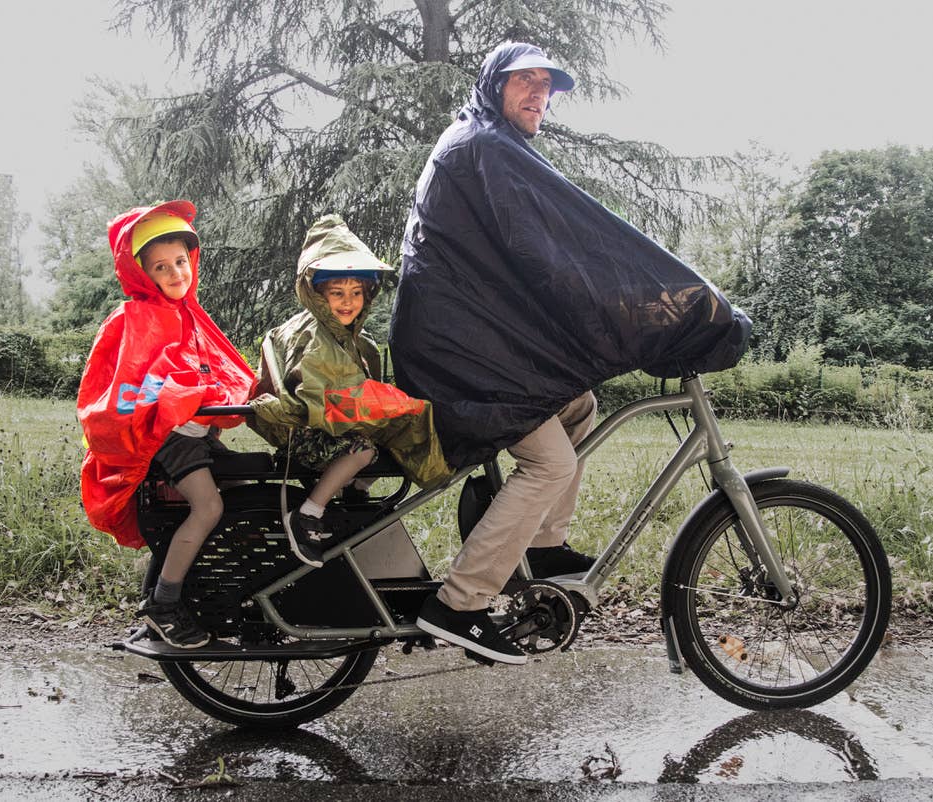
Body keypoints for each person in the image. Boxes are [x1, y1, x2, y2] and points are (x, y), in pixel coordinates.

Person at [390, 43, 752, 664]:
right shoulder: (485, 149)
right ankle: (459, 602)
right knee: (550, 465)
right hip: (458, 350)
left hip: (468, 338)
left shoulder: (490, 143)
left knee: (578, 405)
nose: (537, 94)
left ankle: (542, 547)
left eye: (546, 86)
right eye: (523, 81)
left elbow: (555, 249)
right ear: (493, 85)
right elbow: (565, 255)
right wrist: (664, 299)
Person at [77, 200, 256, 648]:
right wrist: (188, 393)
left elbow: (217, 370)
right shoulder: (135, 319)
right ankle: (165, 604)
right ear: (142, 274)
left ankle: (191, 591)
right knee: (209, 508)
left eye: (181, 262)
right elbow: (131, 390)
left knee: (244, 493)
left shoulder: (188, 313)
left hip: (194, 433)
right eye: (162, 267)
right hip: (168, 441)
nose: (176, 273)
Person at [249, 214, 451, 567]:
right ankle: (309, 514)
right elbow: (320, 399)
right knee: (362, 449)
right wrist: (381, 405)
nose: (348, 301)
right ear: (316, 294)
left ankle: (354, 497)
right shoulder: (315, 338)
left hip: (325, 426)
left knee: (387, 437)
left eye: (356, 292)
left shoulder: (354, 340)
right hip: (305, 432)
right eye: (337, 293)